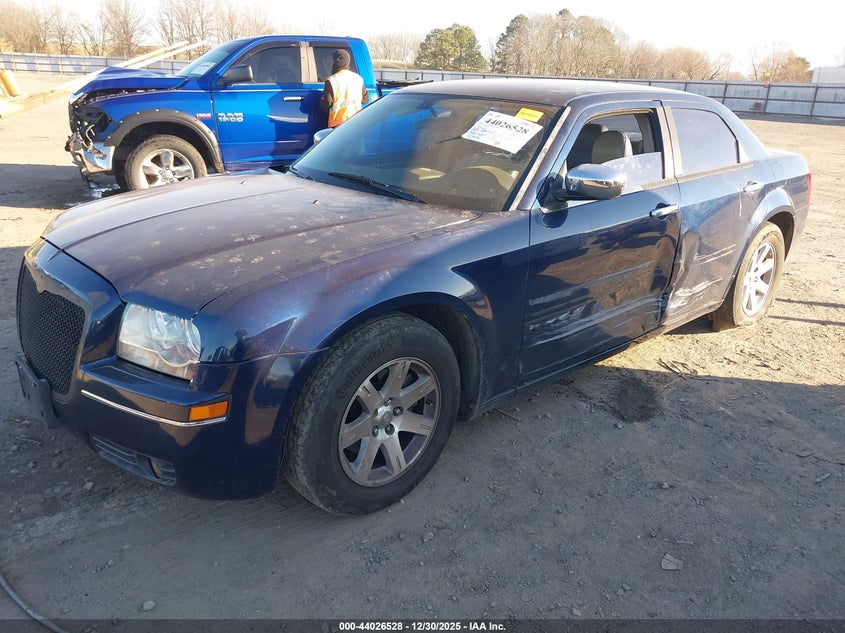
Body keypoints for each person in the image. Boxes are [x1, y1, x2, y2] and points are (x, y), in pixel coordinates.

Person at [320, 49, 369, 128]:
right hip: (356, 123)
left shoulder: (331, 80)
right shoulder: (358, 79)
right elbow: (365, 100)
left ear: (335, 62)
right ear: (348, 61)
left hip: (338, 126)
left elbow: (326, 104)